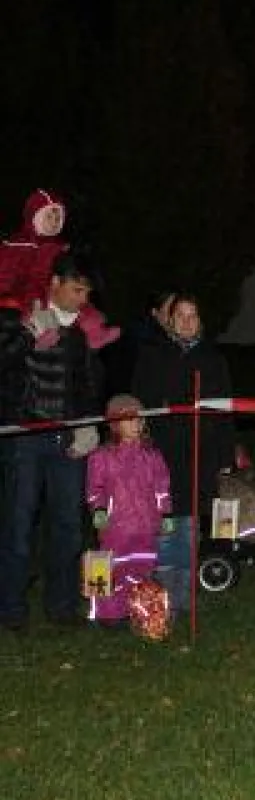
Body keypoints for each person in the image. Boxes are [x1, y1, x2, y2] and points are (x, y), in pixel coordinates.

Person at [0, 252, 106, 632]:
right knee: (18, 523)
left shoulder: (81, 333)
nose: (83, 300)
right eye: (77, 290)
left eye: (87, 293)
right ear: (54, 285)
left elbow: (87, 385)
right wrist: (28, 334)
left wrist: (88, 423)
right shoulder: (17, 317)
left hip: (66, 440)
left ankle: (61, 607)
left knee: (67, 526)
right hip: (24, 438)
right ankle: (10, 609)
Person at [132, 293, 236, 615]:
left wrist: (224, 458)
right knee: (164, 525)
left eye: (193, 316)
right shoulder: (152, 357)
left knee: (190, 526)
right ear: (170, 321)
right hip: (163, 455)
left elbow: (224, 413)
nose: (187, 322)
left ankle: (185, 596)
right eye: (181, 316)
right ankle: (162, 600)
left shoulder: (214, 360)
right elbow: (140, 404)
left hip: (199, 456)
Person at [86, 394, 172, 627]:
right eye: (130, 419)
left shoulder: (151, 456)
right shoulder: (102, 457)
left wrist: (165, 513)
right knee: (109, 568)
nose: (137, 424)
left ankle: (136, 610)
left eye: (139, 419)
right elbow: (96, 487)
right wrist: (99, 509)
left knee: (142, 568)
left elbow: (161, 486)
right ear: (115, 424)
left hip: (145, 526)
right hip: (116, 526)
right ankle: (104, 614)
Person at [0, 189, 120, 352]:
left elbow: (70, 271)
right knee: (36, 306)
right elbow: (6, 270)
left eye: (58, 218)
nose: (54, 222)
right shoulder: (19, 245)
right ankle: (44, 335)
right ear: (35, 217)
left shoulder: (59, 247)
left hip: (53, 288)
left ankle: (96, 333)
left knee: (85, 308)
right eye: (49, 217)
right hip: (29, 288)